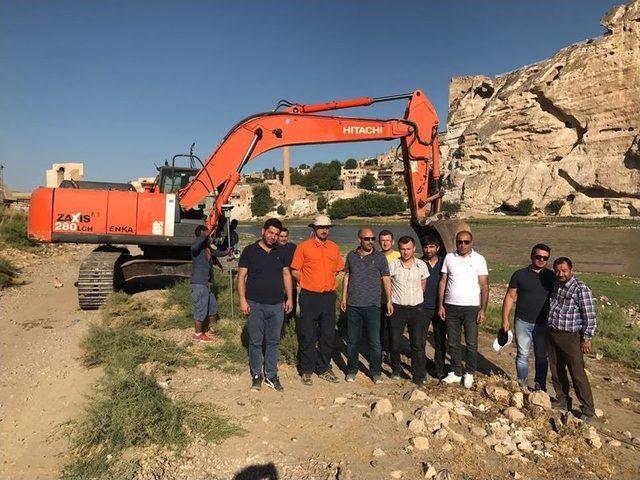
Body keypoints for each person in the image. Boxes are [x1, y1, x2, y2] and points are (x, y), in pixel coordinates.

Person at [237, 218, 293, 392]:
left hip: (276, 304)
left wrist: (289, 298)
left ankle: (271, 375)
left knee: (273, 341)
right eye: (270, 232)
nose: (273, 236)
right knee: (255, 342)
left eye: (276, 234)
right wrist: (242, 300)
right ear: (263, 231)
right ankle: (256, 375)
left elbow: (286, 275)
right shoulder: (249, 251)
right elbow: (241, 277)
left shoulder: (281, 252)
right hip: (255, 303)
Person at [290, 215, 345, 385]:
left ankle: (323, 368)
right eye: (320, 227)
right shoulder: (303, 247)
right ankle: (307, 370)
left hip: (328, 296)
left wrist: (325, 282)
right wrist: (307, 282)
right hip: (309, 296)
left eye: (327, 227)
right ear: (314, 228)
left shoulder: (334, 248)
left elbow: (337, 270)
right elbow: (294, 270)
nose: (324, 230)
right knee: (307, 334)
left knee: (328, 334)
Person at [547, 257, 597, 422]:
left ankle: (588, 410)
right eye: (558, 270)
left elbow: (589, 315)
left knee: (577, 374)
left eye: (564, 271)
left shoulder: (580, 288)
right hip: (553, 333)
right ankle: (562, 400)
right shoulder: (556, 284)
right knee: (556, 370)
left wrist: (586, 338)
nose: (560, 274)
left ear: (571, 270)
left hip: (571, 337)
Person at [340, 228, 393, 384]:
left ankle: (376, 372)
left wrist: (389, 300)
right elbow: (347, 276)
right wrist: (344, 297)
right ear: (359, 240)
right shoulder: (351, 256)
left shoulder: (380, 257)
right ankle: (352, 370)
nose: (370, 241)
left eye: (372, 239)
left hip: (373, 305)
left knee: (374, 341)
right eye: (367, 239)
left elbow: (386, 278)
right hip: (354, 305)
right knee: (352, 340)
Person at [438, 230, 489, 389]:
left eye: (466, 242)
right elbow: (443, 282)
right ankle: (456, 371)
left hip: (471, 308)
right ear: (456, 242)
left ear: (471, 242)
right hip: (451, 306)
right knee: (452, 342)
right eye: (460, 242)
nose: (463, 245)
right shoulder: (449, 257)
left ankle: (470, 373)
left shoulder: (479, 259)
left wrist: (483, 309)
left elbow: (484, 286)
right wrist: (441, 304)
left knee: (471, 343)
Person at [501, 244, 555, 391]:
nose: (541, 260)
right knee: (523, 354)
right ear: (532, 256)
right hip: (522, 321)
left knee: (541, 356)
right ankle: (522, 384)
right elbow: (510, 296)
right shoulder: (519, 274)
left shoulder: (551, 276)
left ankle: (540, 386)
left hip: (543, 323)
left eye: (545, 258)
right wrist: (505, 319)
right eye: (538, 257)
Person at [388, 236, 430, 386]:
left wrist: (416, 296)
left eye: (409, 249)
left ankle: (419, 375)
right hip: (398, 308)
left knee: (418, 343)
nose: (406, 252)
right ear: (399, 249)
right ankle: (396, 370)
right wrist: (389, 301)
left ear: (414, 249)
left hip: (417, 308)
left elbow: (423, 283)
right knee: (395, 342)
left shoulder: (421, 265)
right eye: (403, 249)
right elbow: (389, 283)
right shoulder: (393, 265)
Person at [190, 225, 231, 342]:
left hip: (207, 284)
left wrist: (227, 252)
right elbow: (194, 246)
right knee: (201, 308)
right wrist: (204, 234)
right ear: (202, 234)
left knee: (212, 307)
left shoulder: (206, 247)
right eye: (207, 233)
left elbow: (216, 253)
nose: (210, 234)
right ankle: (197, 334)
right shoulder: (196, 247)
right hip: (199, 283)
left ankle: (213, 329)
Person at [420, 234, 447, 380]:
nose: (428, 250)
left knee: (440, 340)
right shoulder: (418, 262)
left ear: (438, 248)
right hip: (422, 307)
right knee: (420, 340)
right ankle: (420, 368)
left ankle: (440, 369)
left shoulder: (445, 263)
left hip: (440, 307)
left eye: (431, 247)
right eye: (426, 247)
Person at [378, 229, 400, 360]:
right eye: (382, 241)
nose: (385, 243)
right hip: (379, 299)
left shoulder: (399, 255)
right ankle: (380, 351)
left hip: (396, 299)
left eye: (387, 240)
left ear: (393, 242)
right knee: (380, 328)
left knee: (394, 329)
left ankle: (393, 353)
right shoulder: (376, 256)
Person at [277, 227, 298, 321]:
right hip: (277, 287)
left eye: (285, 236)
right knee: (279, 313)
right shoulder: (273, 248)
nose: (283, 238)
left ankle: (291, 329)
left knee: (291, 311)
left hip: (292, 286)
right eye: (281, 236)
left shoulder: (293, 247)